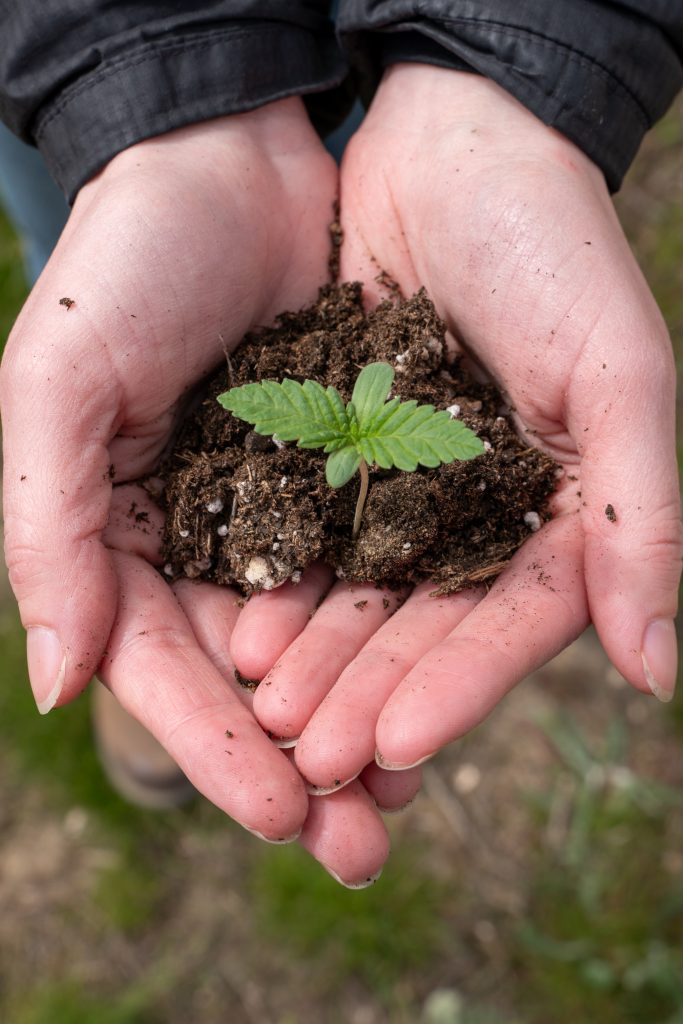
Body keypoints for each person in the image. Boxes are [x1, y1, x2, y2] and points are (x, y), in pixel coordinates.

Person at [0, 2, 680, 888]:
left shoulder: (388, 423)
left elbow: (392, 432)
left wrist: (495, 82)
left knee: (356, 109)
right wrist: (157, 97)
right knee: (83, 216)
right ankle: (129, 664)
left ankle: (399, 72)